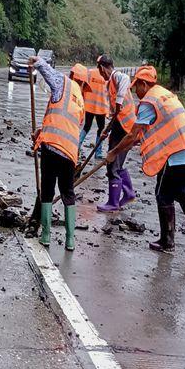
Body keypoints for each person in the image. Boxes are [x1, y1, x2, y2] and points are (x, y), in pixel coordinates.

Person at [106, 66, 185, 252]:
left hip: (175, 153)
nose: (136, 92)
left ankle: (167, 241)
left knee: (163, 195)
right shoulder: (164, 94)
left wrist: (114, 152)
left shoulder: (149, 102)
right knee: (181, 193)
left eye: (137, 87)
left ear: (145, 84)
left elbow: (133, 135)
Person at [29, 56, 85, 251]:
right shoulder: (81, 102)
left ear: (71, 75)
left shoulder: (65, 83)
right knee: (68, 193)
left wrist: (37, 61)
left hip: (52, 147)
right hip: (69, 153)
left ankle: (45, 236)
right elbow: (68, 124)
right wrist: (40, 132)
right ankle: (70, 240)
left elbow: (48, 72)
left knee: (47, 190)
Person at [96, 54, 137, 212]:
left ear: (102, 68)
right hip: (121, 126)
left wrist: (119, 100)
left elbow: (126, 79)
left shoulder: (116, 76)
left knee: (112, 164)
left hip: (125, 127)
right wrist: (106, 130)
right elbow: (115, 113)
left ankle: (113, 202)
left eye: (99, 69)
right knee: (117, 164)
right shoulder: (109, 84)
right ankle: (128, 193)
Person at [75, 65, 108, 159]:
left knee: (87, 126)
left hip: (89, 105)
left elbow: (83, 86)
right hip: (101, 107)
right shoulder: (106, 75)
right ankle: (98, 153)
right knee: (101, 129)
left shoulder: (89, 72)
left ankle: (77, 146)